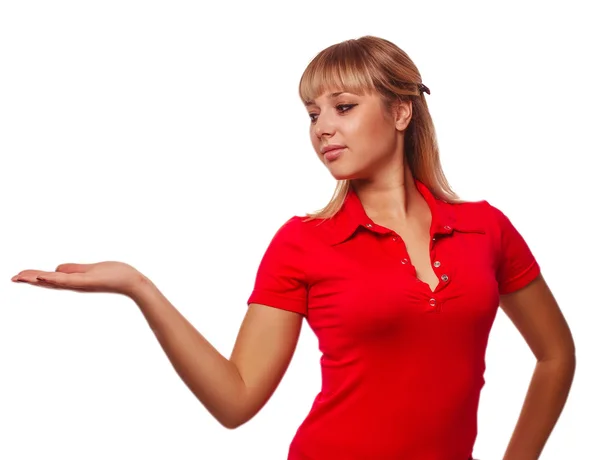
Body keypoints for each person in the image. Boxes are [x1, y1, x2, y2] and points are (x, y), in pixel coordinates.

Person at [11, 36, 575, 460]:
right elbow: (236, 401)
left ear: (401, 112)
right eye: (312, 114)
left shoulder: (485, 229)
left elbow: (555, 356)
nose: (322, 128)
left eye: (343, 107)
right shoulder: (304, 243)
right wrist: (139, 287)